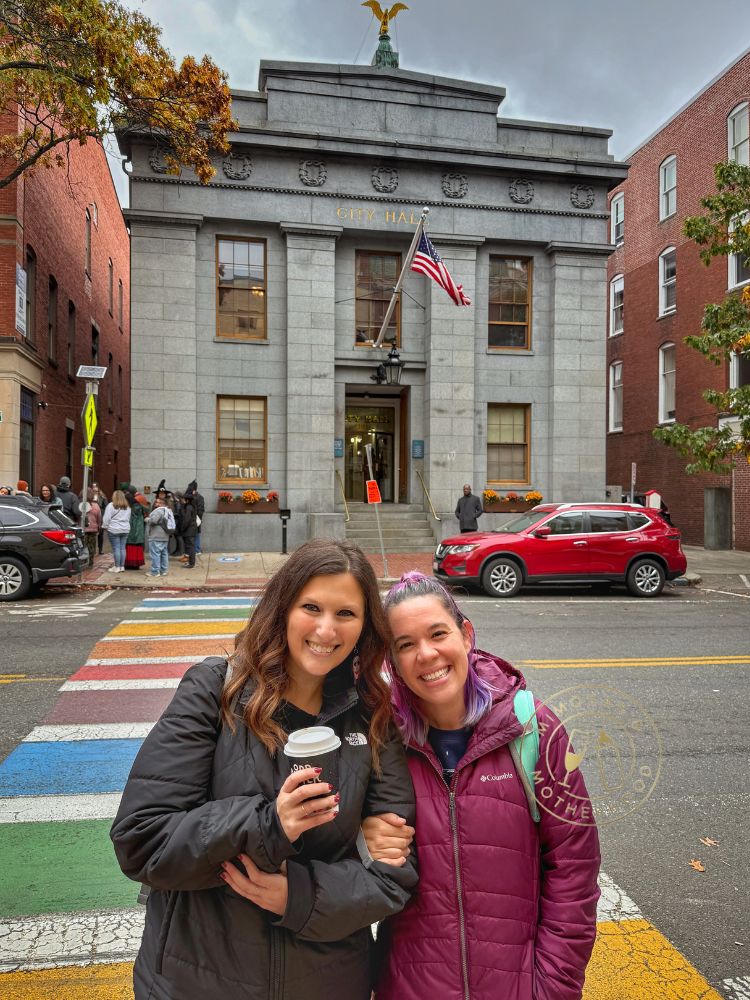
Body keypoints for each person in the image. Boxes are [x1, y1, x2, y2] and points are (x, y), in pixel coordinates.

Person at [110, 539, 418, 1000]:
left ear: (364, 626)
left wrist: (296, 895)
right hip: (195, 981)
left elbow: (392, 878)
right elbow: (142, 842)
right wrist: (268, 824)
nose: (326, 629)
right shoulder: (215, 691)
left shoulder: (373, 718)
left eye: (346, 614)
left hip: (328, 982)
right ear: (283, 608)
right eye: (311, 607)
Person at [365, 572, 600, 1000]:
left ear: (466, 634)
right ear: (391, 661)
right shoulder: (383, 744)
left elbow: (574, 871)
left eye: (438, 634)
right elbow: (354, 868)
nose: (427, 654)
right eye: (405, 645)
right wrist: (364, 843)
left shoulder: (532, 728)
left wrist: (552, 987)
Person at [102, 490, 131, 572]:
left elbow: (106, 518)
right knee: (122, 548)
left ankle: (117, 567)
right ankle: (122, 566)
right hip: (125, 529)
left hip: (114, 529)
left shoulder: (111, 506)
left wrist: (105, 526)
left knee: (116, 548)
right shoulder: (127, 507)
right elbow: (128, 518)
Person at [145, 496, 173, 577]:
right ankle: (164, 570)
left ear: (161, 503)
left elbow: (153, 521)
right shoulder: (168, 511)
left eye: (157, 502)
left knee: (155, 554)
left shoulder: (159, 511)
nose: (156, 503)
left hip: (156, 535)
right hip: (165, 536)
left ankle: (155, 572)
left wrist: (147, 519)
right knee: (164, 554)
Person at [123, 486, 146, 571]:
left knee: (128, 545)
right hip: (138, 529)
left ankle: (128, 563)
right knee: (136, 546)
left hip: (129, 529)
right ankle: (136, 564)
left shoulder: (126, 504)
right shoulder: (139, 503)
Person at [184, 479, 204, 556]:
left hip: (195, 520)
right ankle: (193, 551)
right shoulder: (191, 497)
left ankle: (197, 550)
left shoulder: (199, 498)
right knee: (193, 535)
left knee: (196, 535)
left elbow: (200, 510)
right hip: (191, 519)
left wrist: (197, 519)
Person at [82, 487, 102, 566]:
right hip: (93, 529)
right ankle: (90, 561)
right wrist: (99, 527)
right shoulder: (96, 505)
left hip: (83, 529)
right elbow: (99, 518)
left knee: (84, 545)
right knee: (92, 546)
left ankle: (84, 561)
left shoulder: (81, 505)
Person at [179, 492, 198, 569]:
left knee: (190, 547)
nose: (182, 500)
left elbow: (187, 519)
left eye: (183, 499)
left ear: (187, 500)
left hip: (189, 530)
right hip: (191, 529)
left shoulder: (189, 507)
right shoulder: (190, 506)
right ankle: (191, 562)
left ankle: (191, 563)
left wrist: (182, 528)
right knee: (190, 546)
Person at [91, 482, 109, 554]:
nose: (95, 488)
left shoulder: (102, 496)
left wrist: (104, 515)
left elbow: (106, 506)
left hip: (101, 516)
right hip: (92, 517)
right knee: (93, 533)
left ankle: (100, 549)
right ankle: (93, 549)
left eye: (96, 486)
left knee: (100, 533)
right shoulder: (89, 496)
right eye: (93, 487)